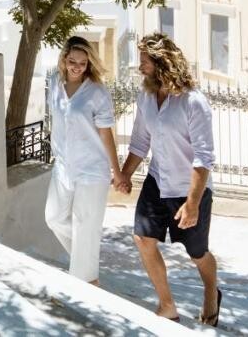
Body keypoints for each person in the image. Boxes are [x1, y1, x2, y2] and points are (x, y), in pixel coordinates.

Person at [116, 33, 221, 326]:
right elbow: (140, 141)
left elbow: (203, 157)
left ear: (163, 63)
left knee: (197, 253)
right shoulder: (146, 97)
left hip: (189, 189)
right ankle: (167, 305)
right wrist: (125, 174)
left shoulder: (193, 102)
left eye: (145, 62)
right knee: (142, 238)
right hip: (157, 180)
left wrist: (192, 203)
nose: (140, 67)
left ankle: (211, 291)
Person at [44, 35, 124, 286]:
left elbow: (106, 134)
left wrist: (117, 172)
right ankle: (86, 262)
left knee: (84, 225)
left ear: (89, 64)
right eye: (72, 61)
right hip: (63, 166)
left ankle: (87, 281)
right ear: (64, 60)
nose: (77, 67)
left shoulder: (97, 92)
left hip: (92, 169)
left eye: (82, 63)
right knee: (54, 218)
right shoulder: (54, 83)